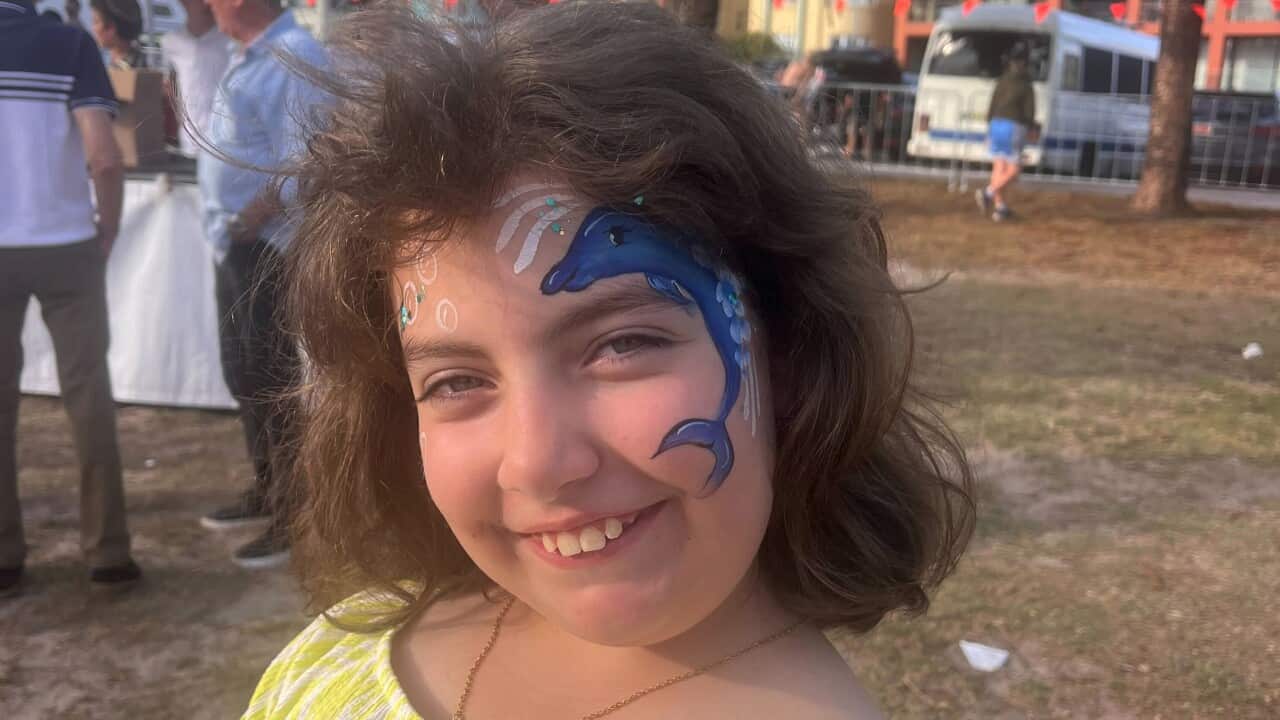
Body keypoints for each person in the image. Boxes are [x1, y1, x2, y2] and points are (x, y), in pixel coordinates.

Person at [241, 4, 975, 718]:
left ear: (786, 346)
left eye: (622, 344)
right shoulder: (343, 644)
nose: (539, 463)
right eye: (456, 381)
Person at [0, 0, 140, 594]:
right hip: (65, 242)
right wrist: (107, 226)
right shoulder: (69, 44)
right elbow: (104, 156)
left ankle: (5, 557)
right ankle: (107, 553)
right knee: (88, 396)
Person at [195, 0, 324, 569]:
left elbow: (313, 158)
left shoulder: (295, 56)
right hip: (238, 242)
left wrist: (254, 215)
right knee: (243, 371)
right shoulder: (252, 56)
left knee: (271, 377)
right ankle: (267, 486)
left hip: (268, 244)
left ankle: (293, 512)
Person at [161, 0, 231, 158]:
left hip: (225, 145)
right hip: (189, 143)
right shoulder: (171, 42)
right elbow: (170, 89)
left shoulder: (230, 42)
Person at [976, 44, 1037, 222]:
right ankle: (988, 192)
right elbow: (1029, 111)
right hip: (1013, 126)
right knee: (1014, 170)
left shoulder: (1002, 80)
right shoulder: (1026, 84)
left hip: (996, 124)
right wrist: (1032, 127)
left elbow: (992, 103)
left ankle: (1000, 208)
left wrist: (989, 125)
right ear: (1025, 63)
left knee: (999, 166)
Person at [89, 0, 147, 69]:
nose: (93, 28)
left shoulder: (126, 72)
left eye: (96, 22)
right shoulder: (138, 63)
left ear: (111, 28)